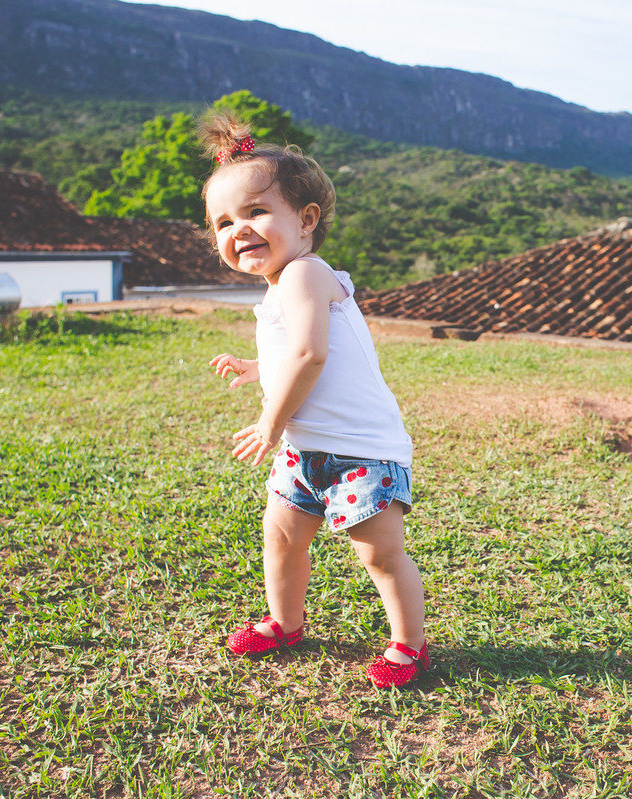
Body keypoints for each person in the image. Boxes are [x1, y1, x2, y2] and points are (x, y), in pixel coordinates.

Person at [202, 113, 428, 688]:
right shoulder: (281, 287)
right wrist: (257, 368)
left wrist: (269, 422)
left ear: (305, 221)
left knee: (379, 553)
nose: (238, 229)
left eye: (255, 212)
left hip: (359, 452)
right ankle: (285, 622)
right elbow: (292, 353)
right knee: (280, 537)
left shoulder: (305, 273)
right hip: (309, 451)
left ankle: (409, 646)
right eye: (223, 221)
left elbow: (310, 357)